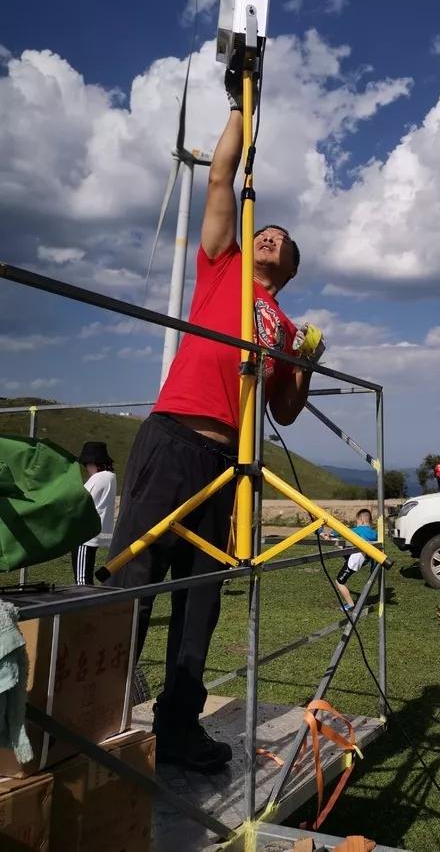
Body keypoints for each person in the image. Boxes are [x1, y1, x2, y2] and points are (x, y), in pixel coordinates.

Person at [107, 68, 322, 774]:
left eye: (281, 241)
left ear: (289, 266)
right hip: (171, 439)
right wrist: (240, 106)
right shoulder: (221, 264)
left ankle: (177, 727)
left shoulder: (284, 327)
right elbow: (223, 178)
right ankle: (98, 710)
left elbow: (285, 409)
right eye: (267, 233)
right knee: (135, 580)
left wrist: (308, 359)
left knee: (201, 601)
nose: (271, 239)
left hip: (228, 463)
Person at [72, 441, 116, 586]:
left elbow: (82, 499)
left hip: (86, 535)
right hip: (98, 532)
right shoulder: (111, 477)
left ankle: (83, 607)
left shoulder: (98, 478)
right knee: (85, 578)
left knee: (82, 581)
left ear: (93, 463)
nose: (86, 468)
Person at [322, 508, 378, 611]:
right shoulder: (374, 533)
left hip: (356, 558)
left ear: (361, 521)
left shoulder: (359, 529)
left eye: (357, 522)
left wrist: (331, 534)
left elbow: (343, 531)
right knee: (341, 546)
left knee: (339, 581)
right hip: (363, 557)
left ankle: (350, 604)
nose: (356, 524)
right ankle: (327, 537)